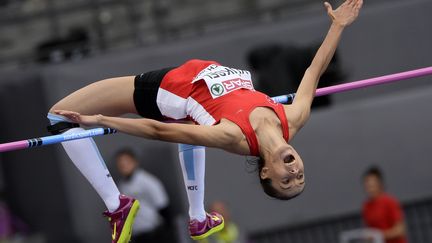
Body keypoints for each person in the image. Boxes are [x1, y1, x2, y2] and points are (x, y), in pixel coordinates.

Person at [47, 0, 362, 241]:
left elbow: (160, 130)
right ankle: (198, 218)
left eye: (285, 181)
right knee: (194, 127)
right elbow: (314, 69)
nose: (294, 173)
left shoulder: (235, 137)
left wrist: (101, 119)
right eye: (299, 178)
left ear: (266, 171)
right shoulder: (294, 117)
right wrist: (338, 26)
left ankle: (117, 205)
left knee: (59, 116)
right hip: (185, 91)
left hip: (165, 89)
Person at [114, 148, 170, 243]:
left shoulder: (147, 180)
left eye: (126, 161)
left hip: (153, 233)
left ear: (135, 162)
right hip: (136, 235)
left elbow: (163, 206)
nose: (123, 165)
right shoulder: (121, 186)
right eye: (120, 163)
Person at [362, 166, 408, 243]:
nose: (370, 188)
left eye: (372, 185)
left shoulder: (389, 202)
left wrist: (379, 235)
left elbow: (400, 230)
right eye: (367, 185)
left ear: (379, 184)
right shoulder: (366, 206)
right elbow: (370, 231)